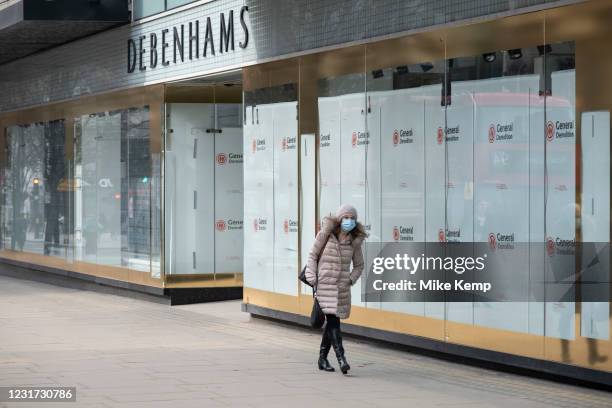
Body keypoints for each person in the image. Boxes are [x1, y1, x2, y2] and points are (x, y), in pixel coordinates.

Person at [305, 204, 367, 374]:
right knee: (333, 321)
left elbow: (359, 265)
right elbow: (312, 255)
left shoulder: (354, 242)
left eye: (352, 218)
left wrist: (350, 279)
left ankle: (322, 358)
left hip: (340, 288)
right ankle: (341, 358)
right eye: (346, 218)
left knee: (332, 321)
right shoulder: (326, 234)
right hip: (324, 285)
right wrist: (312, 276)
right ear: (339, 219)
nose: (349, 221)